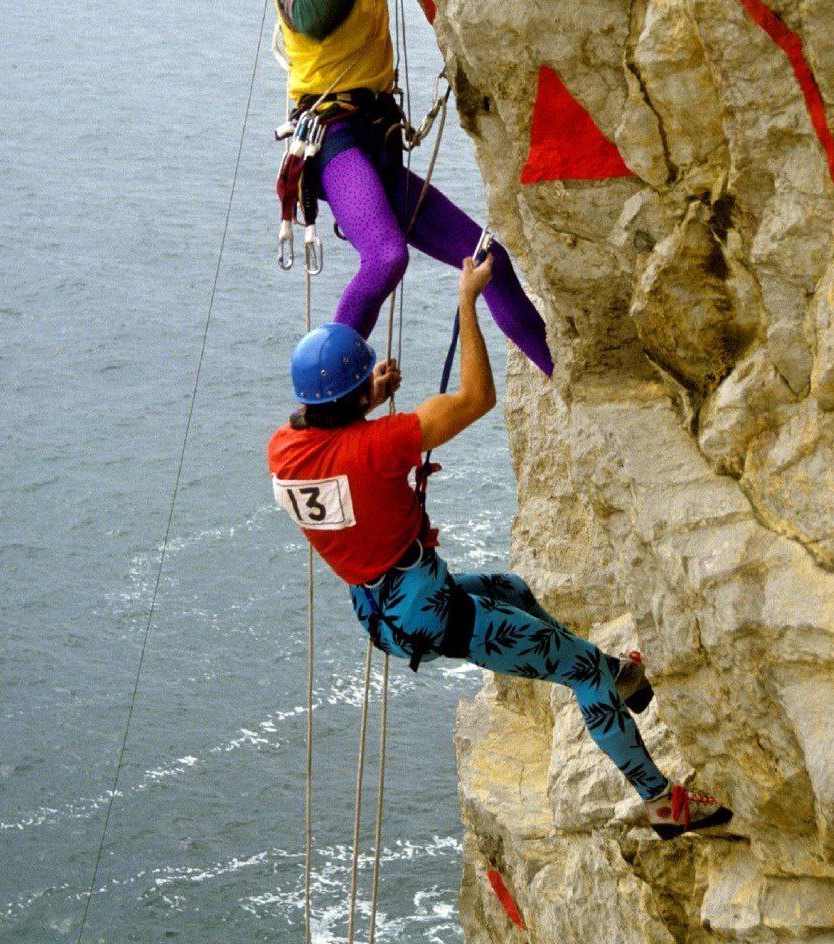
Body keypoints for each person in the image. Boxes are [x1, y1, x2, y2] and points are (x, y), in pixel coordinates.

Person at [268, 254, 733, 839]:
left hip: (384, 610)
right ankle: (661, 799)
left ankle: (623, 677)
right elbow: (475, 398)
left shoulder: (283, 451)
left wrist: (365, 398)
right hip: (433, 615)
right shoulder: (380, 446)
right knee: (582, 672)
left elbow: (328, 437)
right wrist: (468, 301)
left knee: (511, 589)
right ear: (356, 398)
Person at [252, 0, 553, 377]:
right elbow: (313, 13)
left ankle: (563, 370)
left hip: (375, 144)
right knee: (386, 257)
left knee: (489, 260)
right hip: (336, 142)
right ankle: (327, 398)